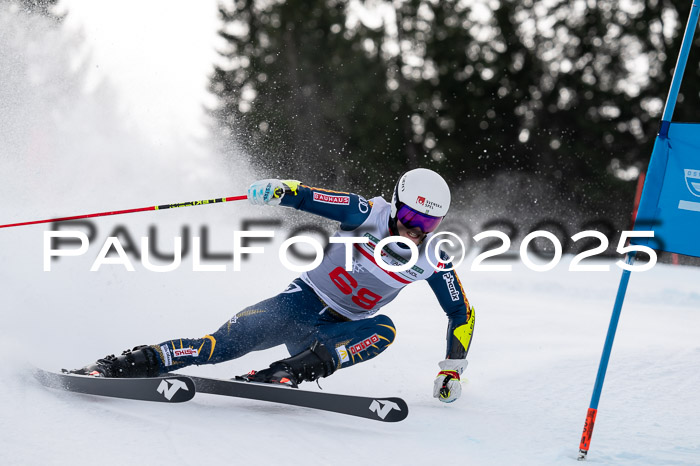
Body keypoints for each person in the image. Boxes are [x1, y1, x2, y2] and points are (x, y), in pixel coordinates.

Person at [71, 168, 475, 403]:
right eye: (409, 216)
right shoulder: (366, 213)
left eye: (427, 224)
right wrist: (284, 190)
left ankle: (284, 373)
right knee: (215, 347)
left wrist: (453, 369)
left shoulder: (433, 258)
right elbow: (315, 198)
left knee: (383, 329)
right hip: (297, 305)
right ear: (395, 203)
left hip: (330, 338)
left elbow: (461, 311)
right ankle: (115, 366)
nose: (414, 229)